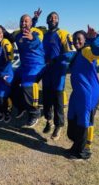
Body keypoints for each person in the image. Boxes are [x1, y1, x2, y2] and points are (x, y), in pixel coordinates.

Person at [67, 26, 99, 160]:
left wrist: (94, 39)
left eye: (79, 39)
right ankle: (77, 145)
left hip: (89, 94)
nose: (76, 42)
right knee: (73, 117)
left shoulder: (87, 51)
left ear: (85, 41)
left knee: (84, 121)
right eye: (74, 39)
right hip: (79, 92)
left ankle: (83, 152)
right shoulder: (79, 53)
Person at [42, 11, 75, 140]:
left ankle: (58, 126)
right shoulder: (44, 34)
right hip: (46, 72)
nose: (53, 19)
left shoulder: (63, 33)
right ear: (47, 20)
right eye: (50, 17)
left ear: (58, 20)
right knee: (46, 99)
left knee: (57, 100)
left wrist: (56, 59)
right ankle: (48, 121)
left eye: (55, 18)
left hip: (58, 72)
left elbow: (71, 53)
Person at [12, 14, 45, 127]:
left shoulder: (36, 33)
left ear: (31, 24)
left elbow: (37, 42)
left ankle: (34, 112)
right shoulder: (17, 35)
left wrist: (32, 39)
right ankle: (21, 105)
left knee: (27, 85)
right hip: (24, 66)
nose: (24, 23)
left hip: (37, 65)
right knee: (11, 81)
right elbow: (6, 36)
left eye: (26, 21)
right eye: (22, 21)